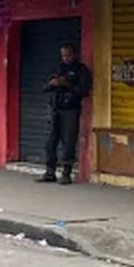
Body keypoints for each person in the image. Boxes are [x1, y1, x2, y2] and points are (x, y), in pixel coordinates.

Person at [37, 43, 92, 185]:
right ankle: (50, 172)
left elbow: (84, 91)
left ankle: (66, 173)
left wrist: (67, 84)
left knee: (69, 142)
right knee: (51, 142)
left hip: (70, 110)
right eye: (64, 56)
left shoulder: (81, 70)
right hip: (55, 109)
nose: (66, 58)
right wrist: (52, 83)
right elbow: (44, 86)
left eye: (69, 55)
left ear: (74, 55)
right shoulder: (58, 68)